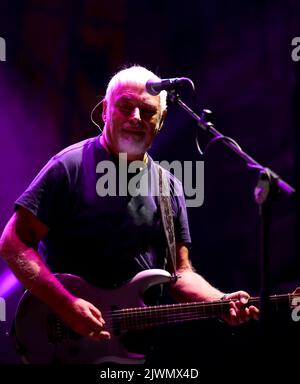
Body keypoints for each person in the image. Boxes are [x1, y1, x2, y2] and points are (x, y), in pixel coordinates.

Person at [0, 65, 259, 362]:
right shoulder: (68, 167)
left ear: (160, 121)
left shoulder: (169, 187)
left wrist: (220, 301)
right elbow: (13, 243)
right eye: (125, 107)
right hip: (65, 343)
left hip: (134, 350)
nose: (136, 118)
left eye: (147, 111)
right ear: (105, 112)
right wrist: (67, 305)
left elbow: (180, 274)